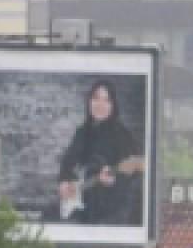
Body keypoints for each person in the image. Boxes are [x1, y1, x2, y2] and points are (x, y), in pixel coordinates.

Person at [57, 80, 144, 226]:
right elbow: (67, 162)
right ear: (89, 101)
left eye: (106, 100)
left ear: (113, 106)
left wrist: (115, 181)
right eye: (96, 98)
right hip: (84, 210)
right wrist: (64, 181)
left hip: (111, 214)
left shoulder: (122, 135)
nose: (100, 105)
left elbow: (136, 175)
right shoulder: (82, 132)